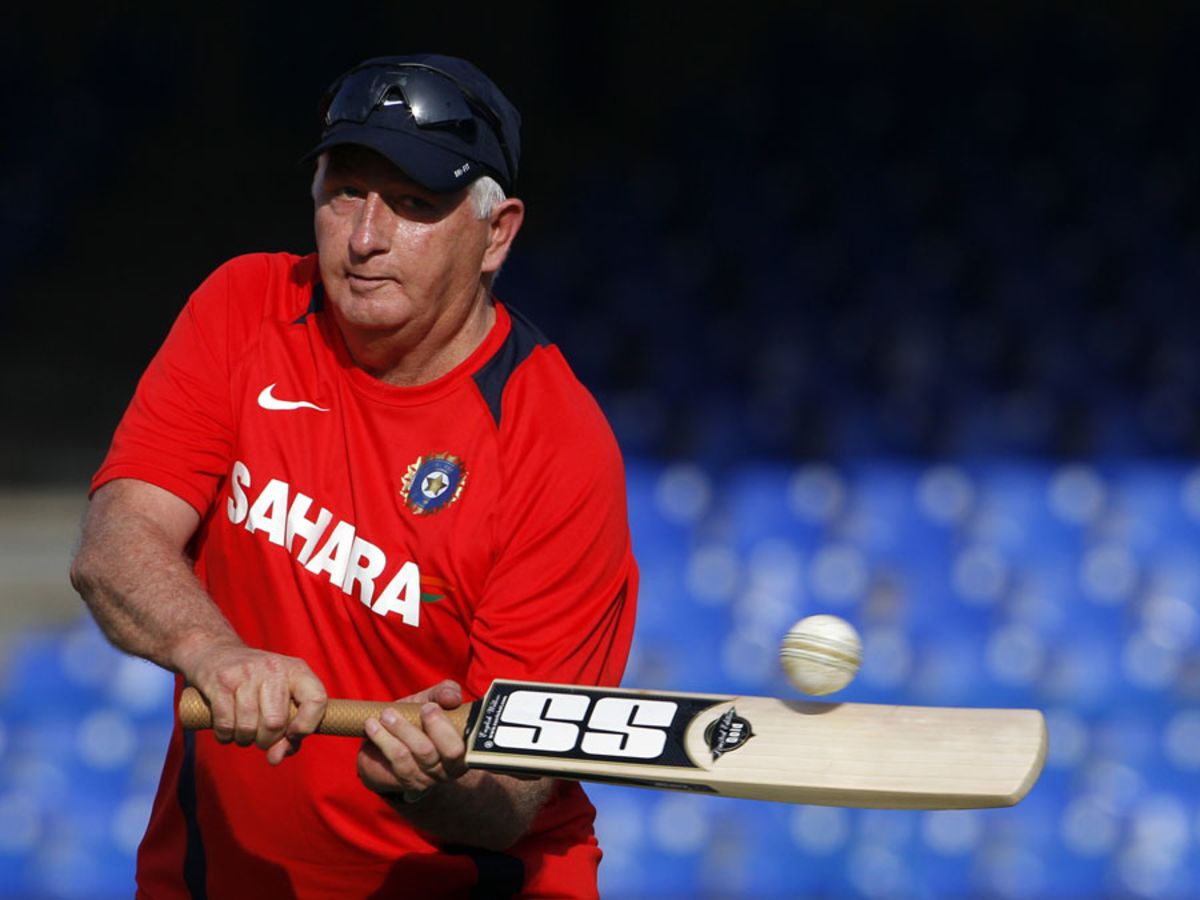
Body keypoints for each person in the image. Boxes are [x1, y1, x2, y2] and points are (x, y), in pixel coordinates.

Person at [70, 53, 638, 899]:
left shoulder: (556, 444)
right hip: (219, 877)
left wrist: (431, 781)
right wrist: (213, 652)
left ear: (498, 232)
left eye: (414, 204)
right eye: (345, 192)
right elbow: (116, 545)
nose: (366, 237)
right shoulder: (244, 304)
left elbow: (515, 794)